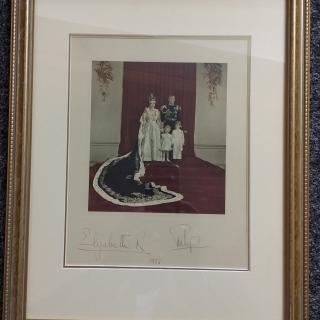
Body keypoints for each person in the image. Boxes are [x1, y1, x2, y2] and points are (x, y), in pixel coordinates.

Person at [138, 94, 162, 161]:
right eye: (151, 103)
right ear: (149, 103)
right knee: (147, 141)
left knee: (155, 141)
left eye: (154, 103)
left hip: (155, 128)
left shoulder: (157, 111)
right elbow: (142, 119)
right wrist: (144, 125)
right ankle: (147, 157)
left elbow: (159, 121)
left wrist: (160, 128)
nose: (152, 105)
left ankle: (155, 157)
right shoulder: (146, 110)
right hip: (148, 127)